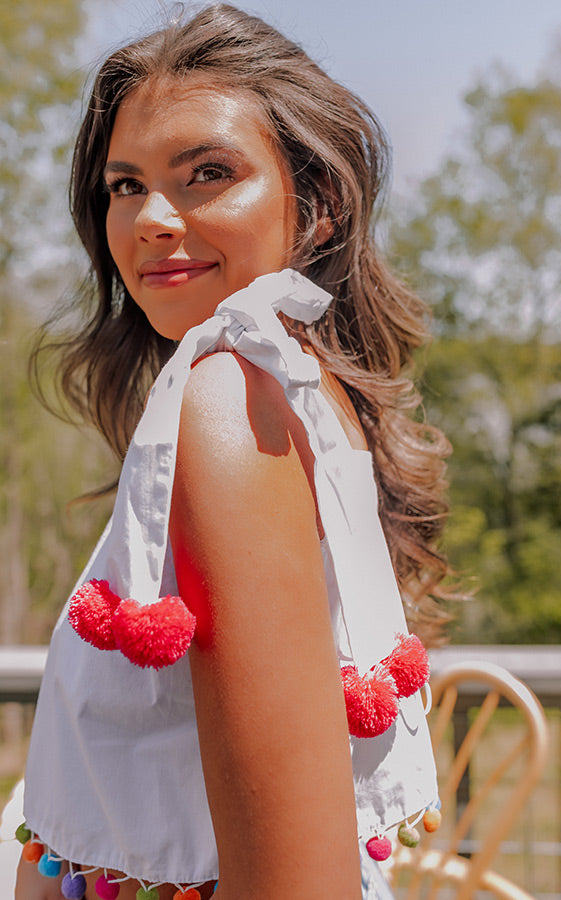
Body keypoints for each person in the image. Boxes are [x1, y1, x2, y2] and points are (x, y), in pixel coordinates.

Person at [15, 4, 453, 899]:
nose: (151, 221)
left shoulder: (228, 398)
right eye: (125, 185)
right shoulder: (292, 383)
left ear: (319, 205)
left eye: (207, 173)